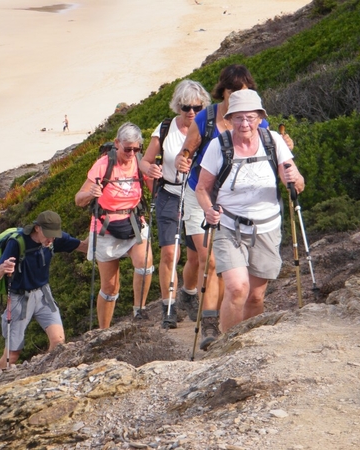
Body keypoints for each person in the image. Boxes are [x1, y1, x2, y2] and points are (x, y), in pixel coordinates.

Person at [175, 64, 293, 350]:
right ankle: (212, 324)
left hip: (248, 209)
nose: (239, 98)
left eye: (245, 92)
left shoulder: (258, 124)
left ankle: (241, 334)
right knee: (211, 263)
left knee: (247, 290)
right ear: (223, 92)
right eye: (233, 93)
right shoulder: (205, 118)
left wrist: (288, 159)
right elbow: (188, 151)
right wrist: (183, 160)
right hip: (202, 194)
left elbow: (272, 153)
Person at [195, 89, 305, 333]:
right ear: (230, 119)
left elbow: (297, 186)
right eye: (238, 118)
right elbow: (202, 189)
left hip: (267, 227)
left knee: (255, 296)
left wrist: (294, 178)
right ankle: (227, 346)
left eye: (250, 117)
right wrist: (209, 209)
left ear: (259, 117)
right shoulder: (218, 146)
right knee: (237, 288)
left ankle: (248, 342)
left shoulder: (273, 141)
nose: (245, 124)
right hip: (229, 225)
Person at [139, 79, 211, 329]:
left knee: (195, 255)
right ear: (177, 107)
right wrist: (152, 169)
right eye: (185, 107)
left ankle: (189, 293)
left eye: (197, 108)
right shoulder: (165, 128)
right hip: (169, 194)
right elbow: (144, 161)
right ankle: (168, 306)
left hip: (197, 195)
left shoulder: (208, 129)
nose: (191, 112)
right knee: (170, 252)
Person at [75, 122, 153, 328]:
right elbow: (78, 199)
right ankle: (104, 330)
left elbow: (155, 189)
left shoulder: (139, 162)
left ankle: (139, 311)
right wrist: (90, 194)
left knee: (145, 265)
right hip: (105, 227)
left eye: (137, 149)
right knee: (110, 287)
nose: (132, 153)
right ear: (117, 144)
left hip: (134, 222)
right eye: (127, 148)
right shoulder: (103, 164)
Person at [0, 211, 87, 369]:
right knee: (12, 355)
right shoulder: (17, 243)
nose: (51, 239)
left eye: (54, 235)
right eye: (48, 235)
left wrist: (98, 228)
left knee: (58, 342)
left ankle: (41, 375)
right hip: (18, 299)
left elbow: (83, 246)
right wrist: (3, 268)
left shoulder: (55, 240)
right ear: (37, 228)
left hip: (43, 294)